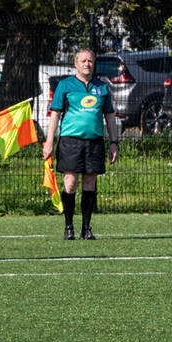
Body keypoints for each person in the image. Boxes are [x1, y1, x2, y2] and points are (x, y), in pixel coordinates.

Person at [42, 49, 120, 240]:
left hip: (94, 141)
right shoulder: (65, 85)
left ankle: (86, 228)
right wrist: (49, 141)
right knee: (70, 182)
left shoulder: (102, 87)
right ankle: (69, 226)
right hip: (70, 141)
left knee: (90, 182)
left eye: (90, 61)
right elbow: (55, 114)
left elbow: (110, 116)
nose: (87, 64)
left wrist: (114, 142)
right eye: (83, 61)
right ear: (76, 64)